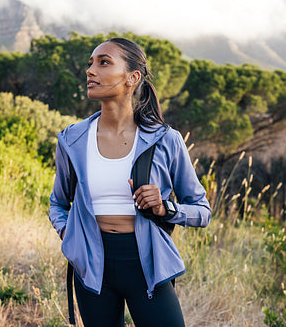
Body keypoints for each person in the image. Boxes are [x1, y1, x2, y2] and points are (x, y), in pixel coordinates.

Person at [49, 37, 211, 327]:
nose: (90, 71)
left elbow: (202, 210)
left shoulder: (165, 139)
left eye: (104, 62)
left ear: (132, 78)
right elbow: (58, 203)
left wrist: (165, 209)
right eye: (90, 63)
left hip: (147, 263)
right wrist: (70, 235)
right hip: (92, 264)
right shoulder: (72, 139)